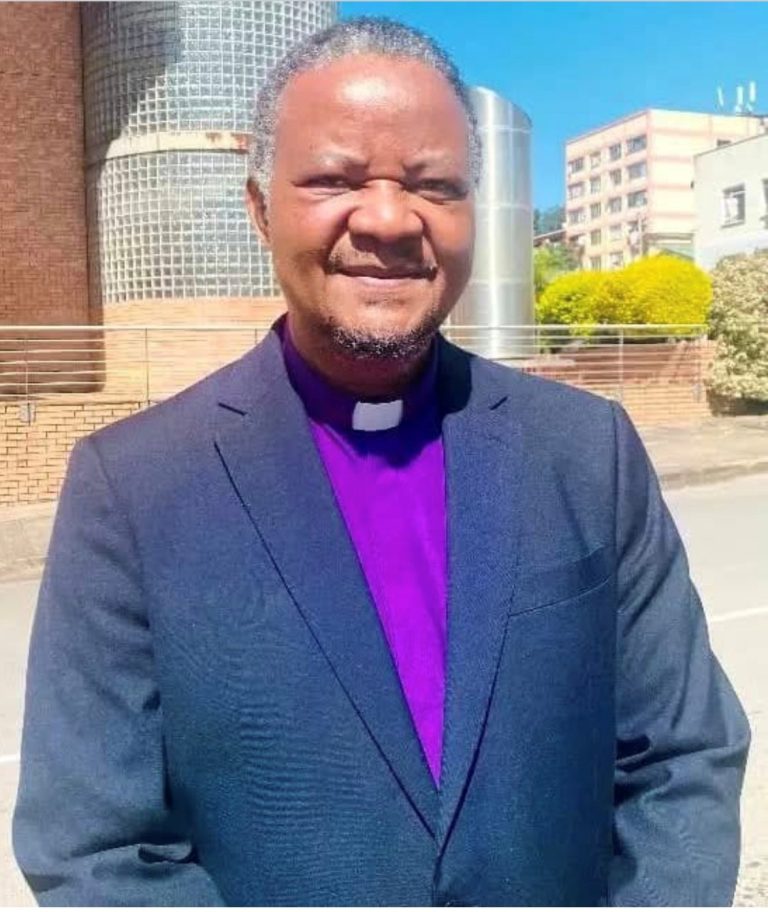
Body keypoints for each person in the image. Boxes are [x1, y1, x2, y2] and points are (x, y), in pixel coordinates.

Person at [14, 17, 748, 907]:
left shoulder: (587, 452)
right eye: (336, 179)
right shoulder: (134, 488)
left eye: (434, 185)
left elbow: (683, 758)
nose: (391, 220)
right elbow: (94, 846)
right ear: (260, 208)